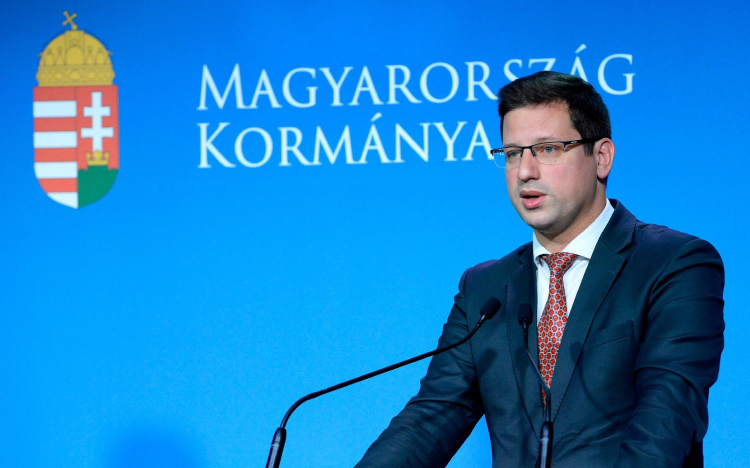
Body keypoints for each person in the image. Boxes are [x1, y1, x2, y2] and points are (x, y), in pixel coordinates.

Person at [355, 71, 724, 467]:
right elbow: (429, 420)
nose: (525, 171)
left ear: (601, 157)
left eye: (547, 149)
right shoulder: (485, 289)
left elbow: (664, 424)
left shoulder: (673, 263)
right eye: (513, 153)